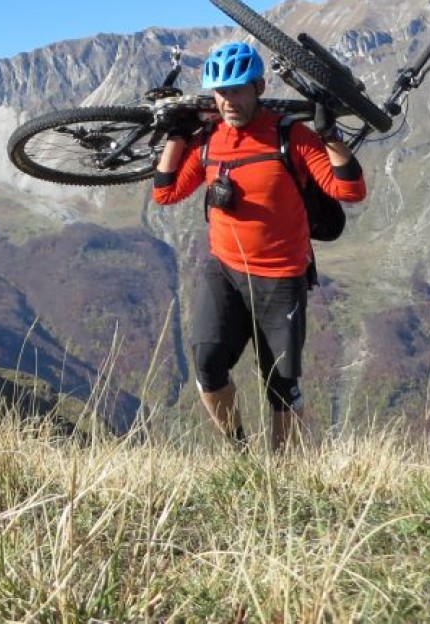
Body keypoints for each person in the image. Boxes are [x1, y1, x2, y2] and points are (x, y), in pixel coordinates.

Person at [151, 41, 367, 451]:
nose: (228, 100)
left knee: (281, 387)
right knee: (208, 365)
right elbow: (166, 193)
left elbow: (350, 190)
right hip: (225, 270)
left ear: (259, 87)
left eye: (237, 89)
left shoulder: (290, 136)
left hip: (282, 277)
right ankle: (240, 451)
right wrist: (177, 138)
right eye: (220, 91)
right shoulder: (210, 140)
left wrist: (330, 135)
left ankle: (281, 475)